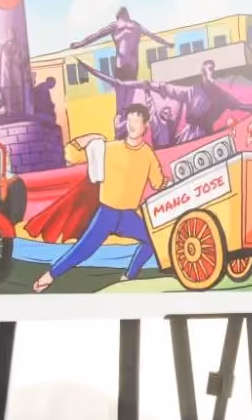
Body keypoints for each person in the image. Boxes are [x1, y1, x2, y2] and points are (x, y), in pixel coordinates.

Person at [32, 104, 165, 290]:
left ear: (146, 125)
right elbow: (70, 155)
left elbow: (158, 182)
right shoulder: (110, 149)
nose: (132, 125)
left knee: (152, 239)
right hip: (107, 213)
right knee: (84, 249)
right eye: (130, 120)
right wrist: (89, 138)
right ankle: (50, 275)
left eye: (136, 121)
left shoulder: (148, 155)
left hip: (127, 215)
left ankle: (129, 276)